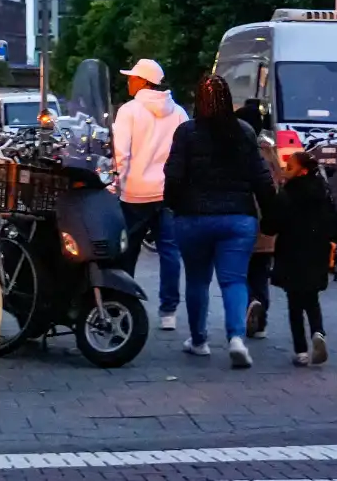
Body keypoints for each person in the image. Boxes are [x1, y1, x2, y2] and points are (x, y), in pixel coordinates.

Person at [163, 75, 276, 369]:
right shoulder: (244, 133)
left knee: (198, 280)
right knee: (234, 280)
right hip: (238, 218)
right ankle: (236, 338)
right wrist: (271, 214)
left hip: (194, 218)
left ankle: (199, 341)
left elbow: (173, 175)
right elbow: (261, 178)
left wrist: (174, 206)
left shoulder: (186, 133)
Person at [112, 59, 188, 331]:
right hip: (168, 193)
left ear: (144, 81)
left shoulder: (128, 111)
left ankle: (122, 302)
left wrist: (116, 184)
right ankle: (169, 311)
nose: (128, 81)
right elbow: (185, 153)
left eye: (132, 78)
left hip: (134, 193)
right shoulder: (178, 112)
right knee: (170, 251)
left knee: (127, 250)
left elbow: (122, 153)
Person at [265, 152, 337, 366]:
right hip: (316, 252)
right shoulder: (322, 192)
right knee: (312, 298)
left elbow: (270, 225)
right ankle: (318, 332)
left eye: (289, 167)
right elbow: (334, 225)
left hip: (291, 252)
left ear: (302, 170)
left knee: (294, 304)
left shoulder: (287, 194)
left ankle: (301, 351)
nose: (285, 171)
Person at [235, 100, 283, 339]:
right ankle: (261, 319)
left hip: (242, 220)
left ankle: (249, 304)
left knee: (239, 272)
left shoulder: (237, 150)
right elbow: (279, 181)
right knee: (261, 272)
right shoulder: (268, 149)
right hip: (268, 226)